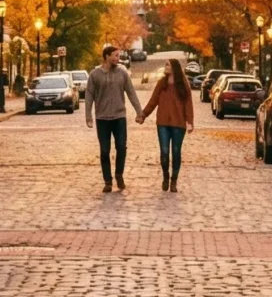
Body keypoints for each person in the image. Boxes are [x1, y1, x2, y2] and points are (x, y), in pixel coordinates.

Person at [83, 45, 144, 193]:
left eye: (118, 56)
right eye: (115, 55)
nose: (118, 58)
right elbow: (89, 95)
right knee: (104, 151)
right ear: (107, 56)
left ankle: (119, 174)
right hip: (102, 118)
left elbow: (131, 93)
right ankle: (107, 181)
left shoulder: (122, 73)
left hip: (119, 117)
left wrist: (139, 112)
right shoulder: (95, 74)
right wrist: (88, 116)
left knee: (121, 148)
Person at [139, 61, 196, 192]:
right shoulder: (161, 83)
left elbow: (188, 103)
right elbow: (153, 101)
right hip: (163, 123)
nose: (165, 67)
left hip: (179, 123)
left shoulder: (183, 84)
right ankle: (165, 176)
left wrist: (190, 122)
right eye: (165, 65)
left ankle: (174, 180)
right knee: (164, 152)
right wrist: (143, 115)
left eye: (168, 65)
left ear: (174, 68)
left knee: (176, 152)